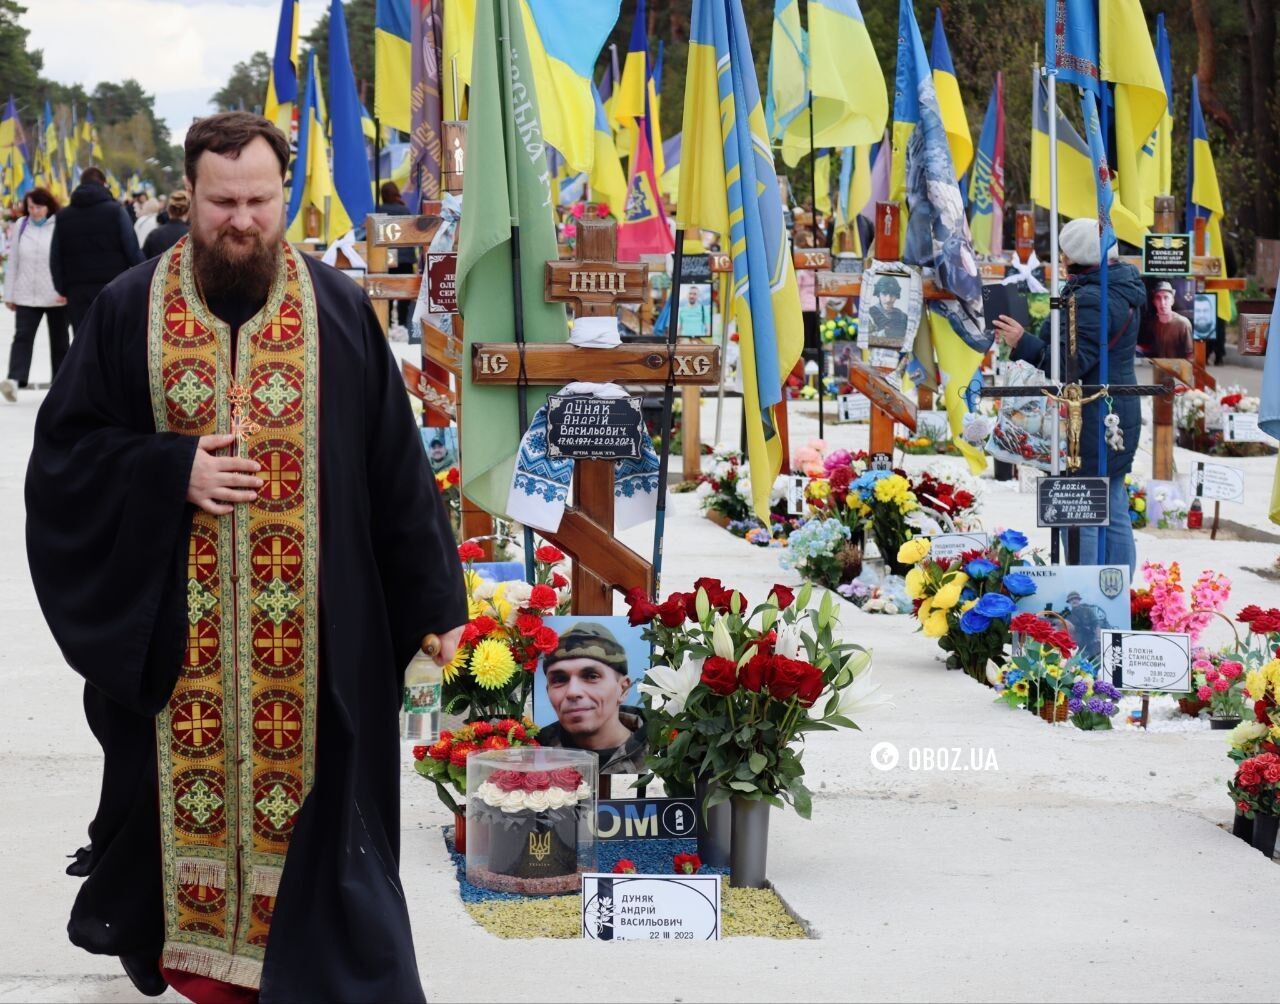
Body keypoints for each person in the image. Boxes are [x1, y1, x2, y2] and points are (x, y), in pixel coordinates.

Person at [26, 112, 467, 1002]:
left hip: (317, 657)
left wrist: (435, 602)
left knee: (330, 860)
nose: (242, 221)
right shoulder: (128, 309)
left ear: (284, 196)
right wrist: (166, 470)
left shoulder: (338, 311)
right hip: (173, 657)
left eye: (260, 201)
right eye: (222, 202)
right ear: (189, 196)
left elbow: (394, 467)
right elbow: (64, 463)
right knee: (176, 847)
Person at [993, 217, 1143, 574]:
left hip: (1090, 416)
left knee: (1083, 510)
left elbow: (1069, 364)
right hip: (1114, 409)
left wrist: (1022, 342)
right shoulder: (1120, 286)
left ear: (1075, 257)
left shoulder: (1092, 299)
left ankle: (1086, 597)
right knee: (1112, 501)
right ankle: (1116, 594)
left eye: (1063, 253)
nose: (1060, 259)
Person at [538, 622, 647, 774]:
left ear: (623, 689)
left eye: (591, 676)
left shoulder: (665, 753)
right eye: (559, 680)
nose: (572, 692)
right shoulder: (534, 754)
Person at [49, 166, 143, 332]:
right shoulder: (116, 211)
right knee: (111, 340)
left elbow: (55, 256)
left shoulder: (63, 216)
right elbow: (132, 248)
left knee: (82, 340)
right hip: (113, 286)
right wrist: (142, 278)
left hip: (77, 290)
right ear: (104, 184)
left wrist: (62, 288)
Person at [2, 188, 69, 400]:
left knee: (59, 341)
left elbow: (67, 261)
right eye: (30, 207)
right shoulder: (21, 226)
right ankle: (14, 380)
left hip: (56, 295)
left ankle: (61, 384)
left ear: (48, 206)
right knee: (22, 337)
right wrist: (9, 295)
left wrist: (66, 290)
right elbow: (13, 263)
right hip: (26, 295)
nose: (34, 211)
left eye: (38, 207)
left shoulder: (60, 226)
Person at [1061, 591, 1111, 666]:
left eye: (1076, 598)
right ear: (1069, 602)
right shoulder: (1068, 615)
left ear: (1079, 600)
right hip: (1077, 643)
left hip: (1090, 640)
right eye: (1071, 599)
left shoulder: (1087, 610)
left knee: (1096, 661)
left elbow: (1096, 624)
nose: (1074, 601)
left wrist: (1097, 638)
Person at [1145, 280, 1193, 359]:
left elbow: (1190, 354)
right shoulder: (1152, 324)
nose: (1162, 303)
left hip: (1178, 368)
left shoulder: (1183, 324)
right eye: (1158, 298)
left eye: (1166, 297)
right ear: (1154, 302)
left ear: (1172, 301)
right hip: (1159, 367)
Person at [141, 190, 190, 258]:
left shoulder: (154, 235)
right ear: (188, 211)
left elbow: (143, 262)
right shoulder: (193, 236)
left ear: (168, 210)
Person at [866, 275, 909, 346]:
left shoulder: (903, 316)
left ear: (897, 295)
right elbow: (866, 340)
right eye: (884, 294)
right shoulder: (869, 314)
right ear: (878, 294)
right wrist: (884, 333)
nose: (888, 299)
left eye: (892, 295)